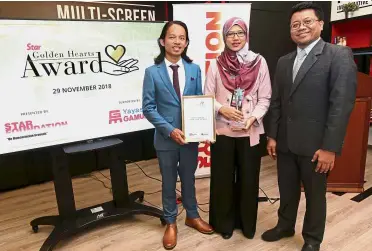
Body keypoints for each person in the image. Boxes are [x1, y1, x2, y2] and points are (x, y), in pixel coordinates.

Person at [262, 2, 357, 251]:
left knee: (315, 196)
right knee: (287, 189)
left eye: (307, 22)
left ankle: (312, 239)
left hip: (317, 145)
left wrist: (330, 148)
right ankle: (285, 226)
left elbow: (342, 105)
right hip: (285, 141)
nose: (301, 28)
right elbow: (277, 102)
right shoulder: (284, 61)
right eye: (295, 24)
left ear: (321, 24)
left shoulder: (338, 56)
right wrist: (272, 135)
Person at [142, 21, 214, 250]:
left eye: (182, 37)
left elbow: (199, 102)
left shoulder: (194, 70)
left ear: (187, 42)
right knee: (168, 181)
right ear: (163, 41)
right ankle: (170, 221)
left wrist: (203, 128)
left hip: (190, 138)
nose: (177, 42)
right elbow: (148, 108)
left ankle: (192, 216)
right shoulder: (151, 73)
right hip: (166, 139)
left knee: (189, 179)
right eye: (172, 37)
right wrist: (170, 130)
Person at [204, 17, 272, 240]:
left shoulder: (259, 62)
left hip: (248, 133)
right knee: (222, 179)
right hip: (223, 131)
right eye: (230, 34)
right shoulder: (216, 64)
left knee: (248, 179)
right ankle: (224, 224)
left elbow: (265, 98)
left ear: (246, 35)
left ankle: (246, 224)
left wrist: (253, 118)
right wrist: (222, 109)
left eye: (239, 33)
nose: (235, 38)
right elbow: (207, 97)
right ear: (224, 37)